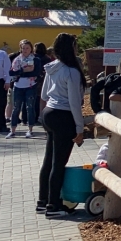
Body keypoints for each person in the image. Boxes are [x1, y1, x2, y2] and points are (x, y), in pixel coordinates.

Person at [38, 34, 85, 219]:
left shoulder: (52, 68)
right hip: (63, 115)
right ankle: (53, 205)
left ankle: (43, 201)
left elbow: (43, 94)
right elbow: (75, 102)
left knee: (49, 160)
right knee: (59, 163)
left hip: (49, 111)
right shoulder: (71, 71)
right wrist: (80, 128)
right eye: (75, 46)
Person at [7, 40, 42, 138]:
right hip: (18, 86)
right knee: (16, 108)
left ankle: (30, 130)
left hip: (30, 85)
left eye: (27, 48)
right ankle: (12, 130)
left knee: (30, 107)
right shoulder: (17, 59)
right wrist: (23, 70)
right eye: (23, 48)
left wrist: (23, 72)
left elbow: (35, 72)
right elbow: (11, 73)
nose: (25, 50)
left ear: (31, 49)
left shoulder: (36, 59)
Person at [34, 42, 51, 112]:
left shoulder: (34, 57)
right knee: (42, 97)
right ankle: (41, 113)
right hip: (44, 78)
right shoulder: (47, 58)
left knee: (34, 98)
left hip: (35, 78)